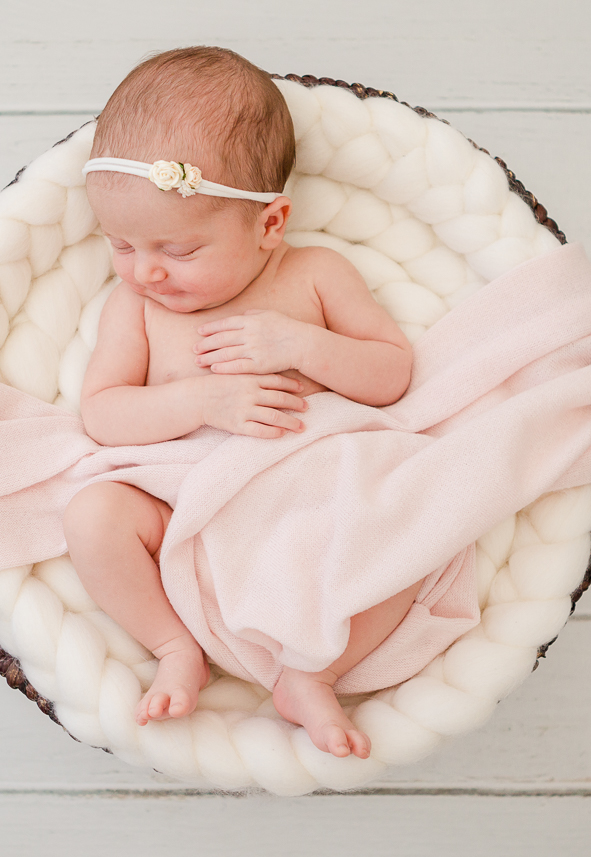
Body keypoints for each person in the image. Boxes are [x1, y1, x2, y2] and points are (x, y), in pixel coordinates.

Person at [63, 46, 414, 760]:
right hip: (190, 512)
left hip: (316, 508)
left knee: (423, 521)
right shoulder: (136, 309)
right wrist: (197, 400)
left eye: (179, 249)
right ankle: (174, 643)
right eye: (121, 245)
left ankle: (312, 672)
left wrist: (301, 346)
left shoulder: (316, 275)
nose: (147, 269)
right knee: (93, 515)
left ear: (270, 224)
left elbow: (390, 375)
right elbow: (101, 413)